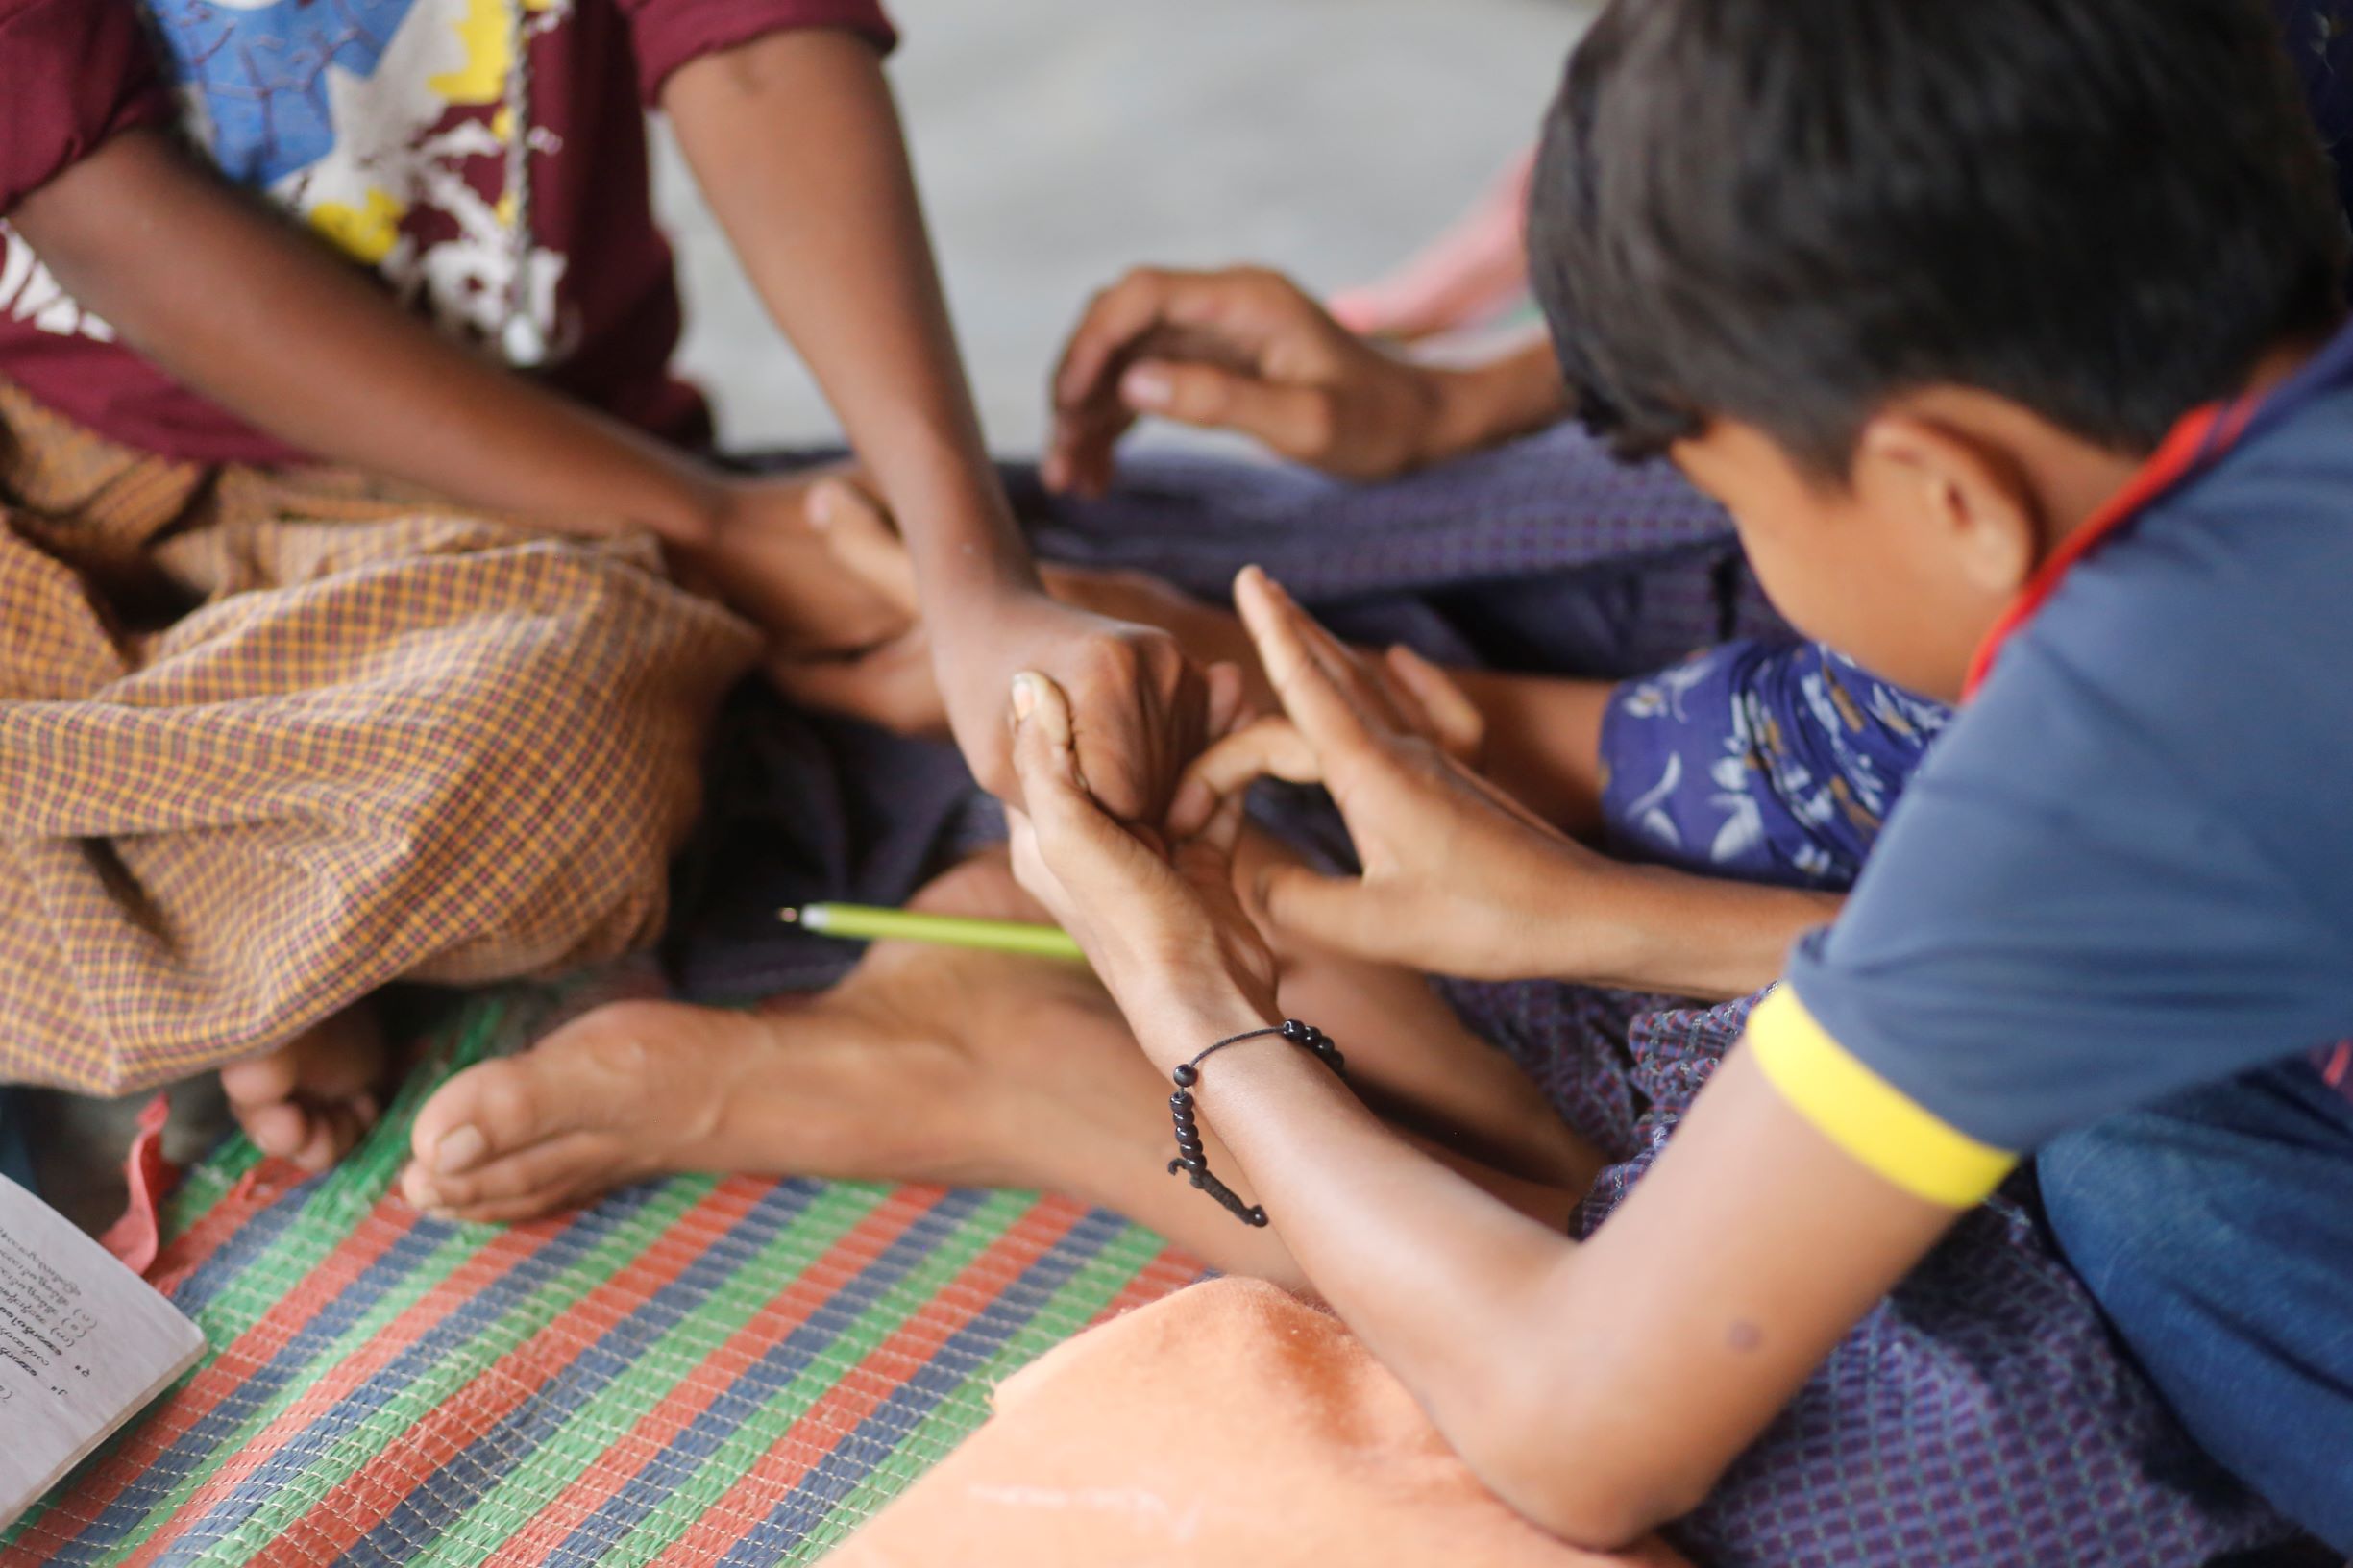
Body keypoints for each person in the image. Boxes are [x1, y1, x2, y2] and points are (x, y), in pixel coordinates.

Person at [1000, 0, 2353, 1551]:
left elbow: (1575, 1414)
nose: (1754, 563)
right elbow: (2105, 965)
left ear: (1942, 486)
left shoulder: (2114, 735)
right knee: (2130, 1142)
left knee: (2042, 1249)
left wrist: (1181, 997)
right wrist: (1585, 913)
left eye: (1729, 501)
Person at [0, 0, 1206, 1168]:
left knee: (567, 746)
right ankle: (279, 938)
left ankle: (250, 926)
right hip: (46, 466)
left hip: (509, 472)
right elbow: (101, 209)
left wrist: (970, 579)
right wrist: (714, 528)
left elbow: (753, 50)